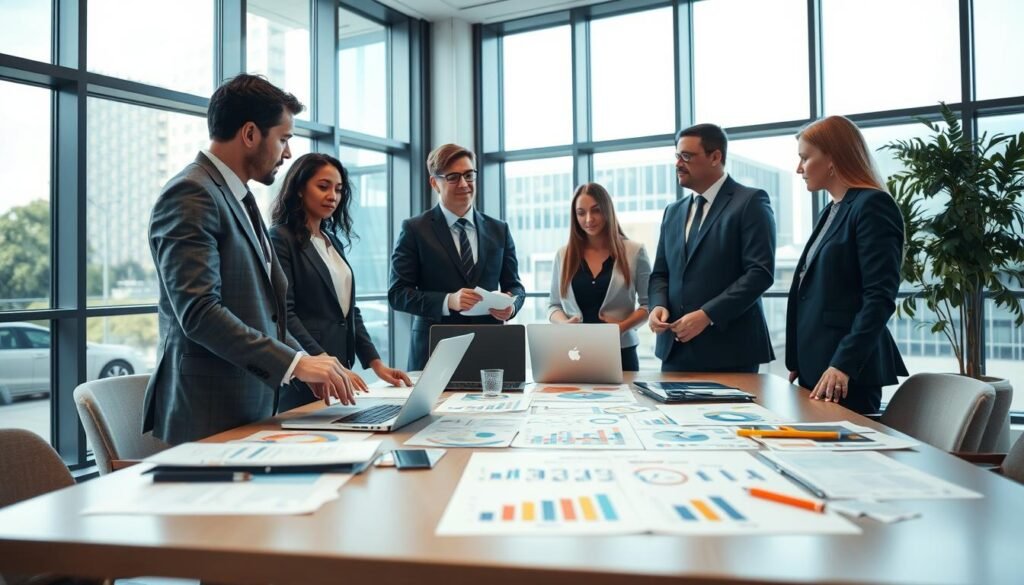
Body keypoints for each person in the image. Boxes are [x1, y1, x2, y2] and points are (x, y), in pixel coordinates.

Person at [145, 75, 357, 445]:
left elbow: (267, 316)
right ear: (249, 134)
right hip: (209, 413)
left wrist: (311, 361)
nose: (287, 153)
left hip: (251, 405)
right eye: (284, 138)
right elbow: (199, 312)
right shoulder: (191, 194)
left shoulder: (238, 197)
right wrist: (294, 363)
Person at [269, 153, 411, 410]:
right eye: (323, 187)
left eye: (338, 189)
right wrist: (322, 360)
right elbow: (284, 315)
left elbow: (349, 312)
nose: (333, 196)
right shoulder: (280, 239)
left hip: (339, 370)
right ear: (300, 189)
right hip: (308, 371)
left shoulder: (332, 241)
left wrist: (377, 364)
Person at [787, 115, 908, 414]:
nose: (799, 168)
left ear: (832, 158)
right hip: (818, 368)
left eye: (805, 158)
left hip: (845, 374)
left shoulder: (872, 206)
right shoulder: (832, 210)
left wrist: (843, 363)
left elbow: (879, 297)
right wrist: (800, 360)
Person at [648, 123, 777, 372]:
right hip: (674, 350)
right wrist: (658, 306)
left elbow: (759, 273)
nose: (678, 163)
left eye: (687, 156)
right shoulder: (672, 212)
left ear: (715, 157)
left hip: (730, 350)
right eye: (677, 156)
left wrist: (707, 315)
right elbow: (661, 274)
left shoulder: (751, 202)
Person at [389, 143, 526, 370]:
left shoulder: (499, 230)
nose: (464, 184)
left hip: (490, 348)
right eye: (453, 177)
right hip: (434, 351)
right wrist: (448, 301)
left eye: (469, 175)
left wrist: (511, 306)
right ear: (435, 183)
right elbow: (397, 294)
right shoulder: (415, 229)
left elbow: (516, 287)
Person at [547, 183, 651, 371]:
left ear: (607, 211)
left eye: (596, 211)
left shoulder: (635, 251)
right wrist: (564, 324)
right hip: (574, 351)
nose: (589, 219)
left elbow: (648, 305)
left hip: (621, 351)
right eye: (581, 213)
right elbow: (553, 305)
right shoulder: (563, 255)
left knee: (624, 401)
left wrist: (621, 327)